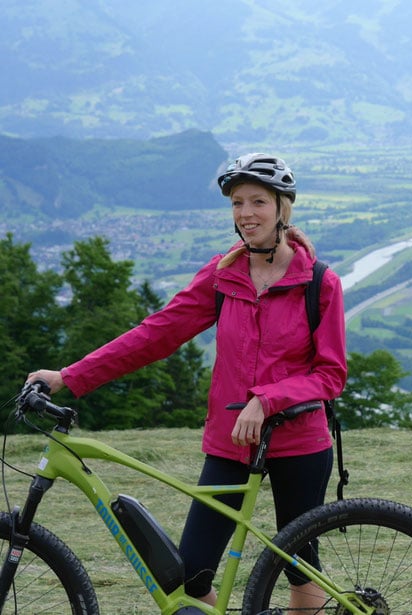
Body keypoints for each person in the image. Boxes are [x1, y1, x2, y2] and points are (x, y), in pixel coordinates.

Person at [27, 153, 347, 610]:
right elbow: (155, 335)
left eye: (258, 201)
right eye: (238, 203)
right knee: (191, 575)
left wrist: (267, 399)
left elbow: (330, 374)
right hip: (230, 442)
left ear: (282, 208)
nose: (246, 213)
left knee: (298, 565)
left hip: (299, 442)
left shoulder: (319, 283)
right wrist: (70, 377)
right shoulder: (223, 276)